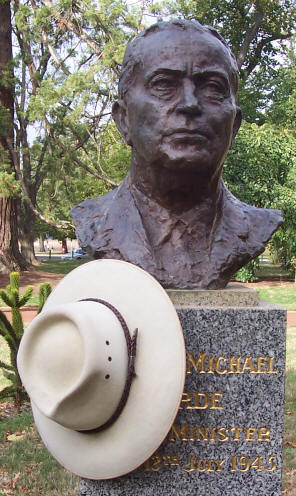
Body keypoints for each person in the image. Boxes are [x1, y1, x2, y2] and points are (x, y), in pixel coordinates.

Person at [71, 20, 282, 289]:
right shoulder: (95, 221)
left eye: (213, 87)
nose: (189, 104)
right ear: (124, 119)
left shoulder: (257, 225)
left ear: (234, 125)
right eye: (164, 85)